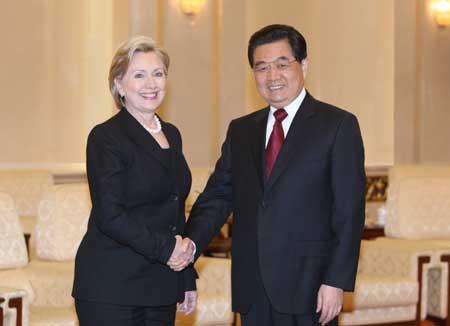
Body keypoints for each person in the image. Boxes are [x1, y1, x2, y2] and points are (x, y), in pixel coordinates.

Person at [173, 24, 366, 325]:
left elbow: (349, 211)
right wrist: (190, 245)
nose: (272, 76)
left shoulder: (337, 126)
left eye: (281, 64)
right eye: (261, 68)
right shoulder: (241, 130)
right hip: (253, 286)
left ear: (303, 65)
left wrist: (336, 281)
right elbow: (218, 196)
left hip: (311, 287)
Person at [72, 36, 197, 326]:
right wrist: (167, 251)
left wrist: (186, 276)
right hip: (111, 285)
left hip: (162, 284)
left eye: (158, 74)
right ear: (119, 84)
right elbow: (110, 216)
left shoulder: (173, 134)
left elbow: (175, 210)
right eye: (139, 75)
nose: (150, 84)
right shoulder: (106, 137)